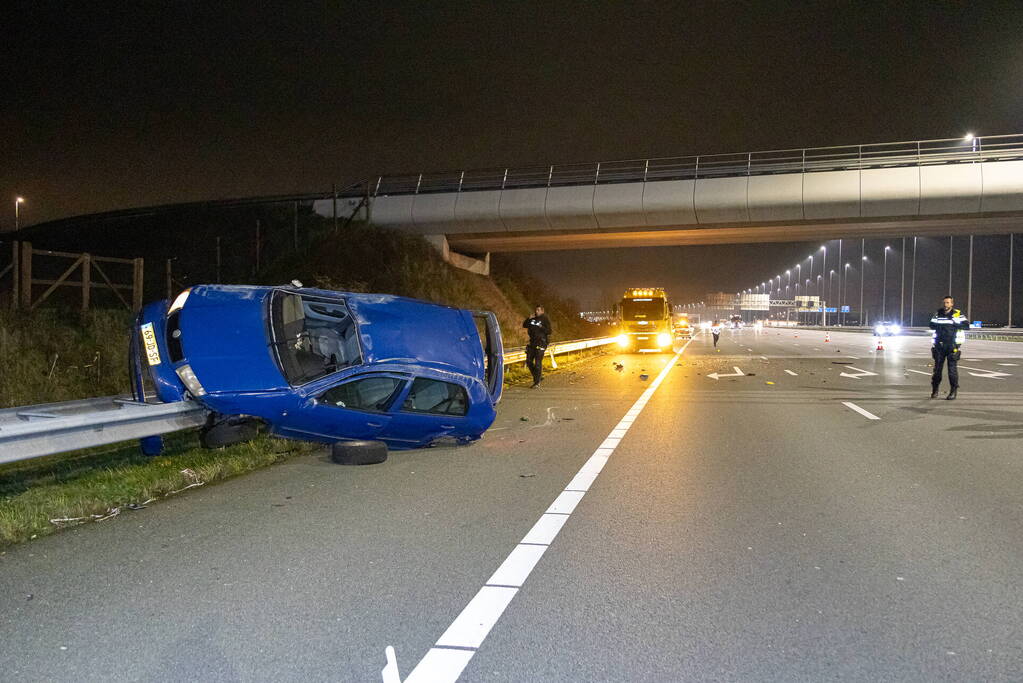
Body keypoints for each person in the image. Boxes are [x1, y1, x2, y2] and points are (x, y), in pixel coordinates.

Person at [929, 295, 969, 400]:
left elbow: (966, 326)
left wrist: (955, 324)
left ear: (952, 304)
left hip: (952, 346)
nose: (946, 304)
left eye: (948, 303)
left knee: (952, 371)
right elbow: (931, 325)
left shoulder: (957, 314)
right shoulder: (938, 313)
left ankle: (953, 391)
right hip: (939, 345)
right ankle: (935, 390)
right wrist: (940, 327)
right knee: (937, 370)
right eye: (944, 302)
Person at [522, 305, 552, 388]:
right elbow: (524, 325)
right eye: (536, 310)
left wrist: (541, 327)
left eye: (538, 310)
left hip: (541, 343)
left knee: (538, 362)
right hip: (532, 343)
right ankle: (538, 376)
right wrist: (529, 318)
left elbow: (549, 331)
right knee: (528, 361)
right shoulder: (532, 318)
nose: (537, 311)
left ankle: (537, 383)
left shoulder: (545, 319)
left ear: (542, 311)